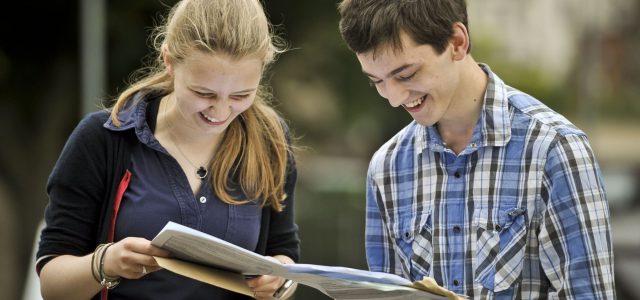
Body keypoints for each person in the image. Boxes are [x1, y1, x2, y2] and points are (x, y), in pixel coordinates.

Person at [337, 0, 615, 299]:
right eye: (377, 81)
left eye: (406, 75)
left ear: (457, 42)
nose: (394, 97)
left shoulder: (554, 148)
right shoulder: (386, 167)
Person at [36, 0, 299, 299]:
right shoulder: (102, 138)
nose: (221, 111)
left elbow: (284, 252)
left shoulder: (271, 139)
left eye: (241, 95)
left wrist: (280, 279)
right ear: (169, 61)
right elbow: (52, 285)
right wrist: (105, 263)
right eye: (203, 93)